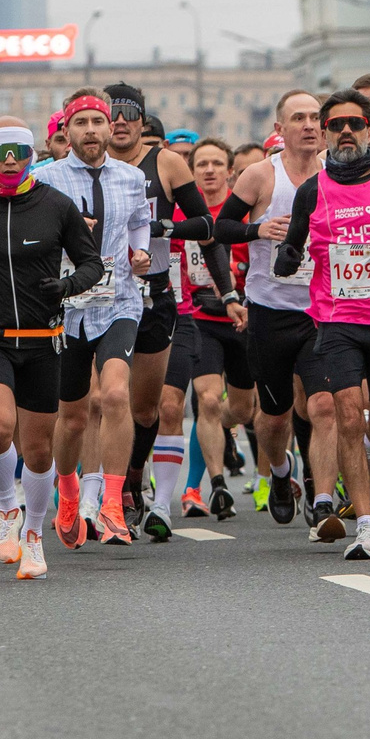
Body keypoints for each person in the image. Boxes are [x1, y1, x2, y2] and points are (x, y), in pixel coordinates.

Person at [269, 87, 370, 561]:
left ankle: (362, 454)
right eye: (336, 125)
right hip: (336, 320)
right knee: (344, 414)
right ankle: (365, 525)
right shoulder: (312, 190)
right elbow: (293, 247)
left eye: (355, 124)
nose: (346, 132)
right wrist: (285, 260)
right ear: (324, 133)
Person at [0, 125, 104, 579]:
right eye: (2, 153)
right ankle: (6, 510)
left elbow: (92, 263)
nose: (11, 161)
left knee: (39, 450)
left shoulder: (55, 205)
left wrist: (67, 286)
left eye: (20, 152)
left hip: (44, 340)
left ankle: (33, 533)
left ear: (31, 155)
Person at [103, 80, 221, 538]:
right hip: (101, 297)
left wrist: (163, 225)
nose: (119, 123)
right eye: (111, 114)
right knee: (101, 400)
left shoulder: (166, 163)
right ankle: (103, 496)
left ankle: (134, 478)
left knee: (149, 408)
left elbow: (206, 224)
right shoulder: (91, 166)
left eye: (128, 114)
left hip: (155, 293)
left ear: (141, 120)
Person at [35, 90, 154, 547]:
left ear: (110, 129)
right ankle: (68, 494)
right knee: (73, 417)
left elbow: (139, 221)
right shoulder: (45, 179)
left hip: (119, 301)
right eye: (80, 122)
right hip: (65, 309)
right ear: (65, 131)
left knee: (117, 396)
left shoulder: (129, 177)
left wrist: (140, 252)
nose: (90, 130)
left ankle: (111, 505)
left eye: (96, 122)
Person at [219, 90, 324, 525]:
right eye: (298, 118)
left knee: (322, 407)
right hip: (270, 310)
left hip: (322, 311)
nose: (309, 125)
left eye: (316, 117)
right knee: (275, 417)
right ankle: (280, 473)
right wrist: (258, 230)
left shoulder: (338, 175)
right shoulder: (262, 175)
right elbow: (222, 228)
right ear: (280, 129)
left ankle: (319, 492)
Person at [171, 139, 254, 522]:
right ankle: (214, 485)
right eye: (200, 163)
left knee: (240, 409)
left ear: (230, 171)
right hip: (199, 319)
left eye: (216, 163)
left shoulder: (243, 213)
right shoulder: (180, 213)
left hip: (243, 319)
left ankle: (223, 436)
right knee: (206, 399)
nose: (207, 170)